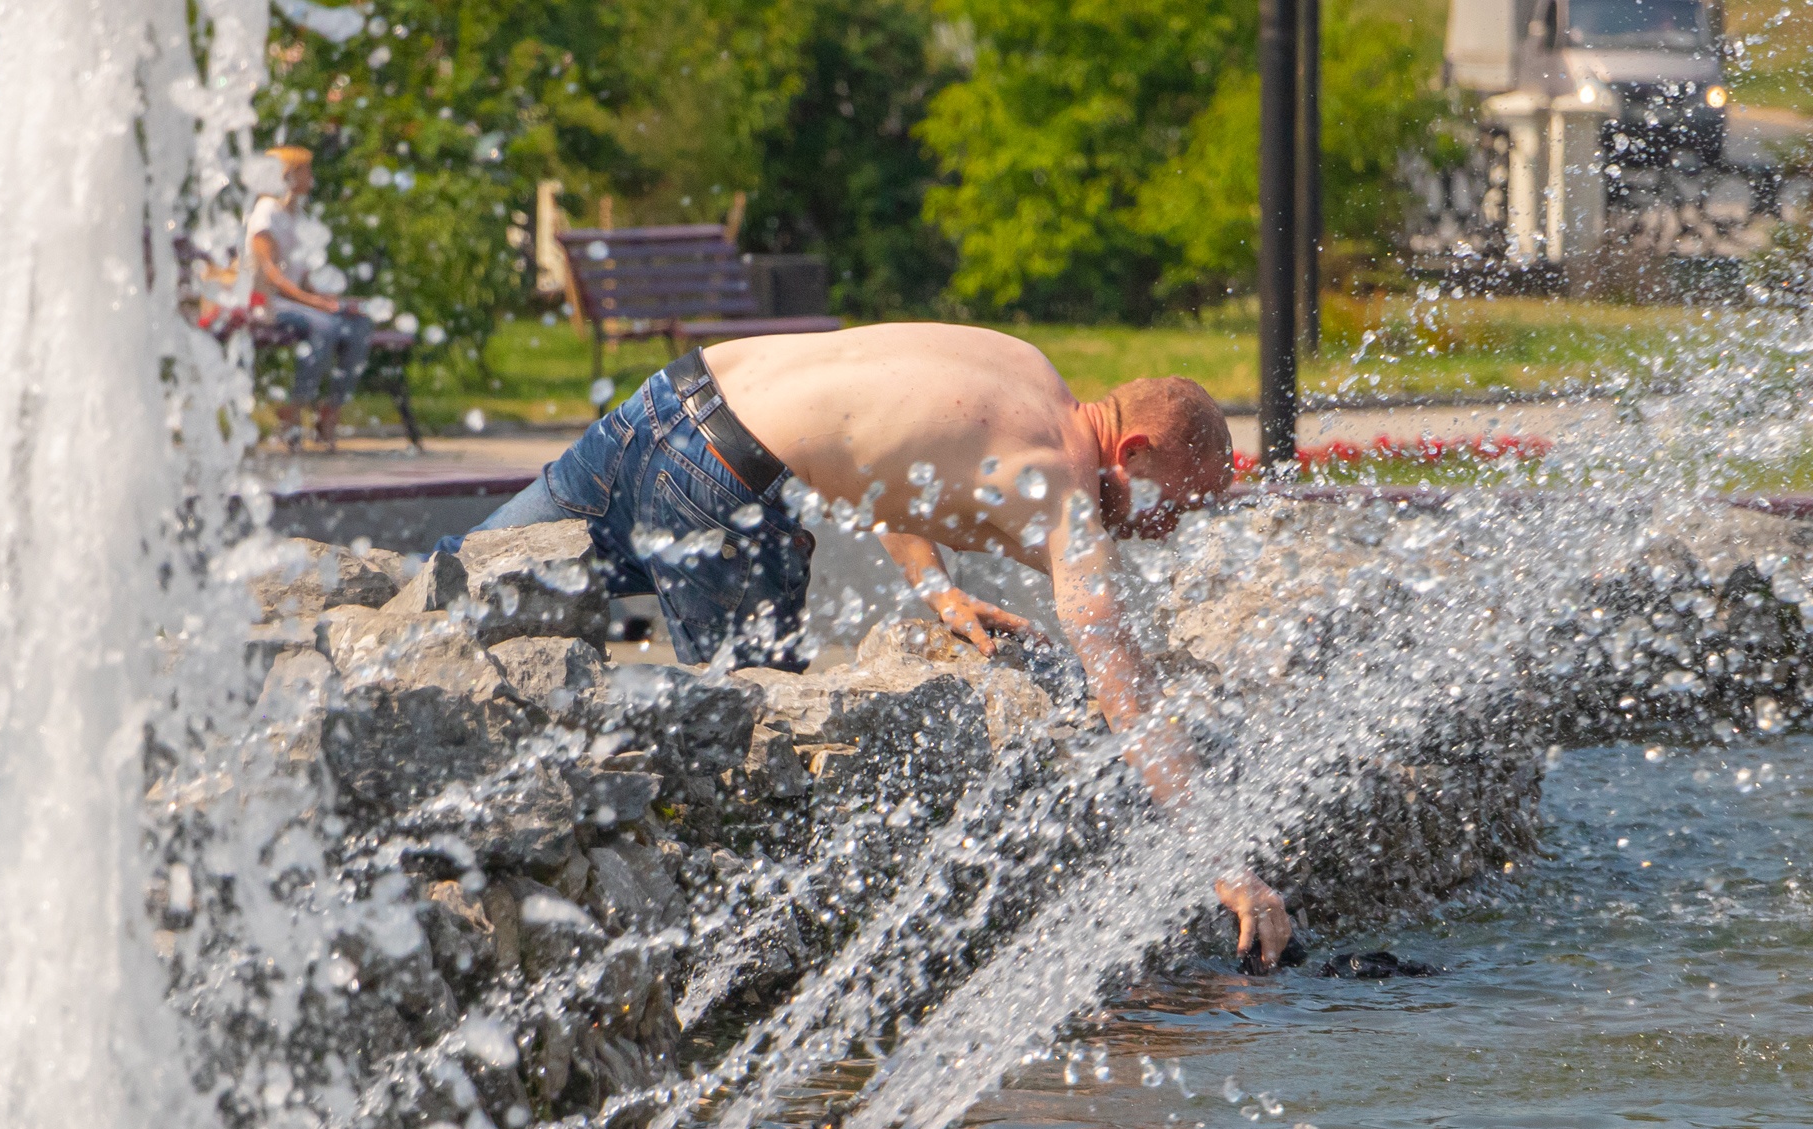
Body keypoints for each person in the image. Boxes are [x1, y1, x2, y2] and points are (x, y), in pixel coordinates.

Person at [447, 322, 1295, 970]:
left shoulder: (1024, 368)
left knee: (450, 606)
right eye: (1174, 508)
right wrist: (1224, 865)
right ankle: (696, 964)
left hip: (667, 402)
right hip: (720, 486)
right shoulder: (1061, 491)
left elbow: (882, 441)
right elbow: (1125, 693)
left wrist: (937, 588)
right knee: (749, 765)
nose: (1165, 533)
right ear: (1135, 451)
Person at [245, 145, 373, 450]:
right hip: (267, 303)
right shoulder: (266, 213)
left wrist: (335, 301)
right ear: (287, 174)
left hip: (293, 301)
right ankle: (294, 409)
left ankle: (331, 410)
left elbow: (300, 277)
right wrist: (316, 304)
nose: (311, 177)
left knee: (357, 325)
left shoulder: (296, 214)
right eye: (306, 170)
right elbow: (272, 276)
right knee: (325, 326)